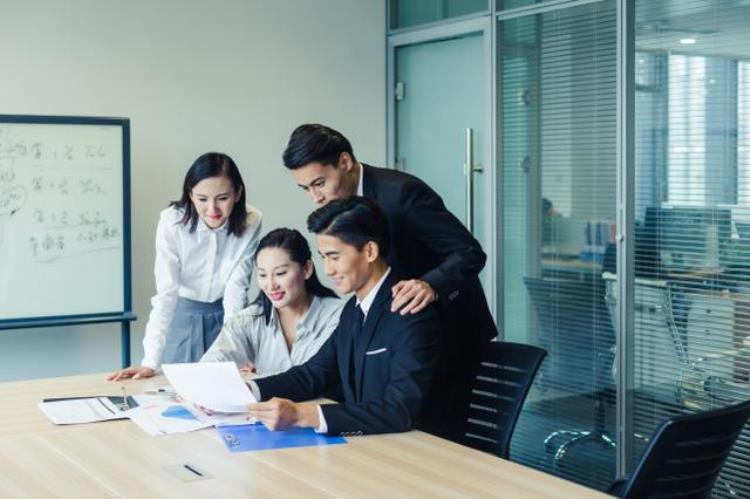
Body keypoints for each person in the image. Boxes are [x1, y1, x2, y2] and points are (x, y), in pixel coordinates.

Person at [281, 124, 497, 441]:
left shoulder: (402, 194)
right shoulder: (343, 212)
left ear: (344, 162)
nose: (316, 197)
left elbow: (468, 252)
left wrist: (430, 285)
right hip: (400, 327)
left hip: (448, 329)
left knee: (437, 438)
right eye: (306, 189)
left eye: (319, 183)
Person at [247, 197, 440, 436]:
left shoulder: (409, 310)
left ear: (369, 251)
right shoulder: (353, 310)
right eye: (323, 257)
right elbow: (313, 374)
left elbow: (400, 409)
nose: (328, 270)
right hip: (369, 446)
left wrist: (305, 415)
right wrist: (249, 390)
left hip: (415, 452)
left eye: (334, 257)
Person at [109, 152, 262, 381]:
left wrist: (240, 349)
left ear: (238, 193)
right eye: (202, 199)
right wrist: (149, 361)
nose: (213, 209)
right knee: (177, 395)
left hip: (228, 317)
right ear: (190, 195)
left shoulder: (252, 220)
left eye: (222, 198)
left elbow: (236, 290)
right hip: (181, 316)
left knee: (229, 390)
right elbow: (166, 294)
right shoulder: (172, 221)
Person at [201, 228, 343, 376]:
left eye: (280, 273)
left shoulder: (337, 316)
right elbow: (212, 364)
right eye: (262, 274)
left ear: (307, 269)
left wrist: (257, 379)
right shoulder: (248, 320)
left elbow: (322, 378)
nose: (270, 285)